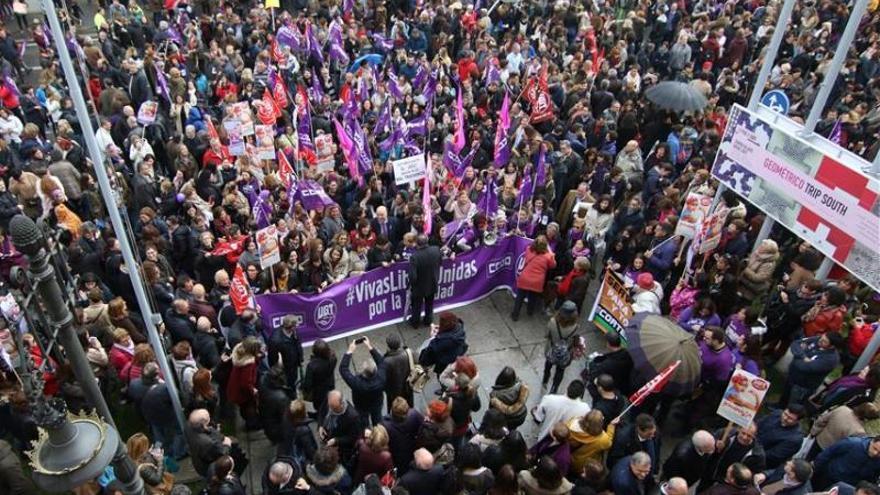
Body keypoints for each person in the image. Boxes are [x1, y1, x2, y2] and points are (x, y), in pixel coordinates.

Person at [782, 333, 844, 406]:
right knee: (785, 395)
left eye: (824, 341)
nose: (820, 340)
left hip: (803, 386)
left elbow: (804, 367)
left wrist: (798, 355)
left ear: (832, 346)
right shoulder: (818, 339)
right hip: (793, 375)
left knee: (793, 404)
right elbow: (795, 343)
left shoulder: (831, 359)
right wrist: (803, 357)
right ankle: (778, 406)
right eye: (821, 338)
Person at [339, 337, 387, 427]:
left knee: (363, 422)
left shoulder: (357, 383)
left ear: (364, 372)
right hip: (376, 403)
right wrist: (370, 347)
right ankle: (378, 432)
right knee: (377, 419)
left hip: (361, 406)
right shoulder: (381, 377)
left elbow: (343, 369)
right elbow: (381, 362)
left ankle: (365, 431)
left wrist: (350, 351)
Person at [700, 424, 766, 488]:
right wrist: (714, 445)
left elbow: (756, 473)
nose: (744, 437)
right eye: (743, 433)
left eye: (749, 436)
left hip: (730, 484)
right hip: (711, 473)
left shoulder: (757, 454)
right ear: (738, 429)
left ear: (754, 436)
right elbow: (706, 444)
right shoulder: (725, 433)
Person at [809, 402, 880, 459]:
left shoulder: (842, 409)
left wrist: (813, 432)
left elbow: (822, 420)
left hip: (818, 439)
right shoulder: (859, 432)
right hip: (829, 451)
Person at [511, 235, 556, 320]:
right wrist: (552, 255)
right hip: (537, 281)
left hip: (525, 278)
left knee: (520, 298)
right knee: (533, 298)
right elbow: (553, 265)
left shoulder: (529, 250)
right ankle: (530, 311)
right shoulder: (548, 256)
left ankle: (515, 315)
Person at [812, 436, 880, 490]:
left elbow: (873, 478)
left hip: (847, 487)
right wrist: (815, 469)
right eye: (874, 448)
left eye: (879, 453)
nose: (875, 453)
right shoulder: (852, 443)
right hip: (827, 478)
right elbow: (828, 453)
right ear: (872, 441)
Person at [542, 301, 580, 394]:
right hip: (565, 353)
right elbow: (575, 342)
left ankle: (545, 380)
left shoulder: (552, 322)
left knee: (548, 366)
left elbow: (546, 335)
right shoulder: (575, 327)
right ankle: (554, 388)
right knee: (560, 371)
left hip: (551, 349)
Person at [184, 409, 232, 478]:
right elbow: (222, 454)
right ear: (204, 424)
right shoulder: (208, 443)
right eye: (208, 417)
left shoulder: (187, 426)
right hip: (208, 469)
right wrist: (227, 445)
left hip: (198, 461)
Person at [567, 410, 617, 474]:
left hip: (568, 458)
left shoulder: (571, 424)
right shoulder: (602, 439)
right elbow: (608, 443)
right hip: (583, 465)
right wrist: (611, 426)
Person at [382, 397, 424, 473]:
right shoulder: (414, 414)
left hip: (395, 453)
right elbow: (422, 427)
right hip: (412, 448)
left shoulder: (385, 425)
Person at [319, 390, 362, 465]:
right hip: (328, 435)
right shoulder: (329, 400)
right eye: (330, 407)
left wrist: (336, 440)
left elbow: (353, 437)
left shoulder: (353, 417)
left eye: (334, 408)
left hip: (340, 447)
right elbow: (322, 412)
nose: (331, 410)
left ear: (342, 404)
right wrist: (320, 426)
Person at [408, 234, 441, 328]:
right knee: (429, 304)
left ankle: (415, 322)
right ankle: (428, 320)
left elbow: (412, 276)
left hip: (419, 287)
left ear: (416, 244)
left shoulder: (415, 256)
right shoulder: (436, 250)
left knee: (416, 306)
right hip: (432, 282)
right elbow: (440, 262)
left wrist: (412, 285)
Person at [267, 315, 304, 398]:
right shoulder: (275, 341)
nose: (297, 327)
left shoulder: (294, 332)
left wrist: (300, 359)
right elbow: (272, 359)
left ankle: (292, 392)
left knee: (293, 382)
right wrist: (278, 372)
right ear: (291, 327)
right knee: (286, 386)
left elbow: (298, 345)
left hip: (293, 365)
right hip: (285, 370)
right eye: (296, 325)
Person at [301, 339, 337, 420]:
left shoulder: (312, 366)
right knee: (327, 402)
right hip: (329, 384)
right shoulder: (333, 357)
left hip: (318, 390)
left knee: (320, 406)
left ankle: (320, 417)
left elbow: (308, 383)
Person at [489, 366, 530, 430]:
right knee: (512, 429)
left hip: (508, 419)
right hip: (521, 415)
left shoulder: (496, 394)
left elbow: (492, 410)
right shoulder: (521, 385)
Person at [382, 334, 413, 411]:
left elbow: (384, 377)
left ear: (388, 346)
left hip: (393, 391)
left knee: (394, 407)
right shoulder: (408, 353)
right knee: (409, 404)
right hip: (408, 385)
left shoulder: (386, 361)